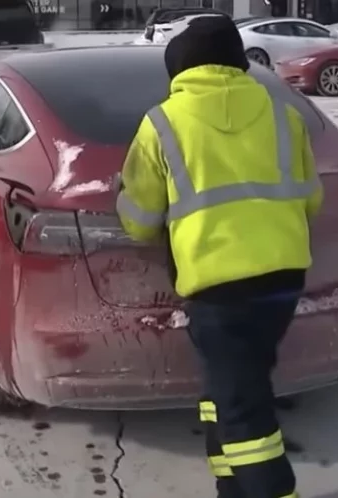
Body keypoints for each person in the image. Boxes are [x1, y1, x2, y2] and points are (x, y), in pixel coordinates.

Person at [113, 15, 322, 498]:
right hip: (284, 278)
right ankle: (230, 486)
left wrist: (121, 195)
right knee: (229, 388)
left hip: (218, 288)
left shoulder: (163, 123)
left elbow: (141, 222)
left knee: (244, 409)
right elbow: (312, 200)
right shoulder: (283, 116)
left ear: (179, 69)